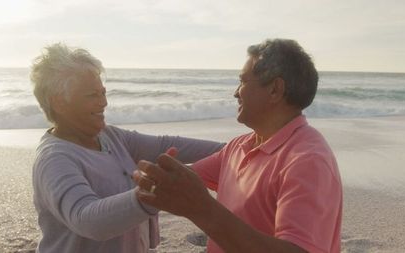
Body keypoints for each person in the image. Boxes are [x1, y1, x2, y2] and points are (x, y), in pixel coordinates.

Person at [134, 39, 342, 253]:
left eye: (243, 81)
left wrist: (203, 209)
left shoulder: (308, 160)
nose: (236, 92)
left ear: (275, 90)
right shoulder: (239, 147)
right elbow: (185, 182)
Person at [30, 43, 224, 253]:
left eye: (103, 93)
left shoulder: (110, 136)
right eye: (92, 96)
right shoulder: (54, 159)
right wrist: (151, 196)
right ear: (59, 102)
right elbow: (86, 218)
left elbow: (164, 145)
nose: (103, 102)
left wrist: (230, 149)